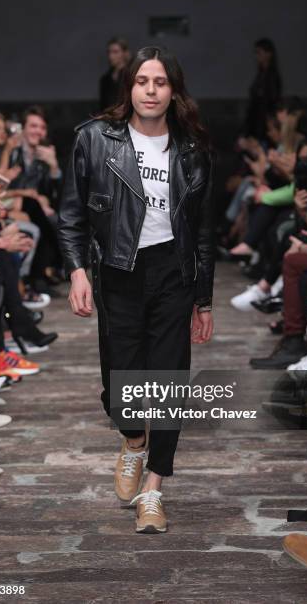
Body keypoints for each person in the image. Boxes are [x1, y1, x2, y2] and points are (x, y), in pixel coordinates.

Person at [58, 45, 215, 533]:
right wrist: (78, 270)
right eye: (142, 81)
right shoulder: (94, 139)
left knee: (168, 382)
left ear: (174, 90)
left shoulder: (192, 148)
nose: (151, 90)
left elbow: (203, 229)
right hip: (119, 274)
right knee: (121, 390)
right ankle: (132, 439)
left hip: (174, 273)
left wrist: (203, 298)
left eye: (161, 82)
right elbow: (71, 214)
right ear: (129, 87)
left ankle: (154, 489)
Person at [245, 38, 282, 141]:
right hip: (256, 121)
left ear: (268, 54)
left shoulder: (271, 76)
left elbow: (271, 101)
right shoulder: (261, 74)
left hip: (263, 124)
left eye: (259, 52)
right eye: (256, 53)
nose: (257, 56)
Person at [99, 37, 130, 111]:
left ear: (125, 53)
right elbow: (103, 104)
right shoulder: (105, 78)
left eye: (115, 52)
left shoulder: (131, 75)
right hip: (108, 118)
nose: (111, 56)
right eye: (109, 52)